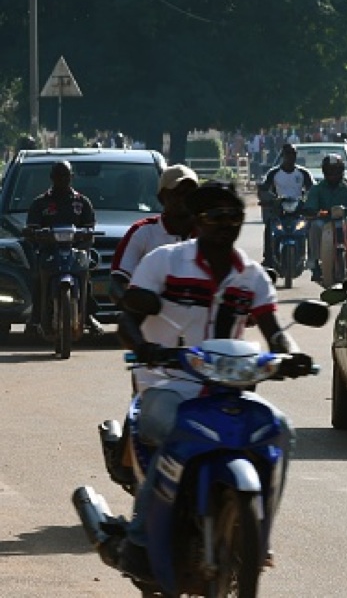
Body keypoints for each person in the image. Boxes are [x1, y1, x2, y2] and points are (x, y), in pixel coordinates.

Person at [112, 180, 306, 582]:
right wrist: (143, 347)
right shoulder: (164, 262)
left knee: (280, 430)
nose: (227, 225)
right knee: (173, 434)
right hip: (166, 383)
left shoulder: (251, 276)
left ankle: (258, 538)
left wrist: (291, 354)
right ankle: (139, 540)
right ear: (198, 222)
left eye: (235, 217)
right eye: (217, 217)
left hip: (228, 391)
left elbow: (274, 329)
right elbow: (128, 315)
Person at [24, 160, 102, 335]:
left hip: (75, 251)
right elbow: (32, 228)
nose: (62, 180)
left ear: (72, 177)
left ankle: (87, 314)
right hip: (49, 252)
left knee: (85, 276)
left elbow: (90, 229)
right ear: (52, 178)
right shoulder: (41, 203)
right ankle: (36, 316)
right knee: (38, 277)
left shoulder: (82, 202)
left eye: (66, 176)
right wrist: (34, 233)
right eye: (58, 176)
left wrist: (85, 240)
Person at [109, 165, 199, 302]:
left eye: (189, 193)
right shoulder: (142, 232)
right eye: (177, 192)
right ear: (162, 197)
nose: (183, 198)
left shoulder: (208, 234)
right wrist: (133, 311)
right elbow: (116, 284)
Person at [303, 155, 347, 281]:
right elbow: (311, 206)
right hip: (324, 222)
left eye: (336, 171)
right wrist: (314, 211)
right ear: (324, 172)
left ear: (341, 171)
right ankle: (315, 262)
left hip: (344, 221)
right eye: (330, 171)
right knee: (315, 225)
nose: (333, 174)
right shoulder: (317, 189)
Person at [259, 144, 315, 267]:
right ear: (283, 156)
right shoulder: (273, 173)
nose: (290, 157)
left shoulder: (303, 173)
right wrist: (266, 200)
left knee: (310, 227)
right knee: (270, 227)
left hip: (298, 208)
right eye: (288, 154)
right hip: (279, 209)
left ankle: (312, 259)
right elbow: (264, 188)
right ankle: (268, 258)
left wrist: (310, 201)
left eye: (293, 154)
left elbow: (312, 189)